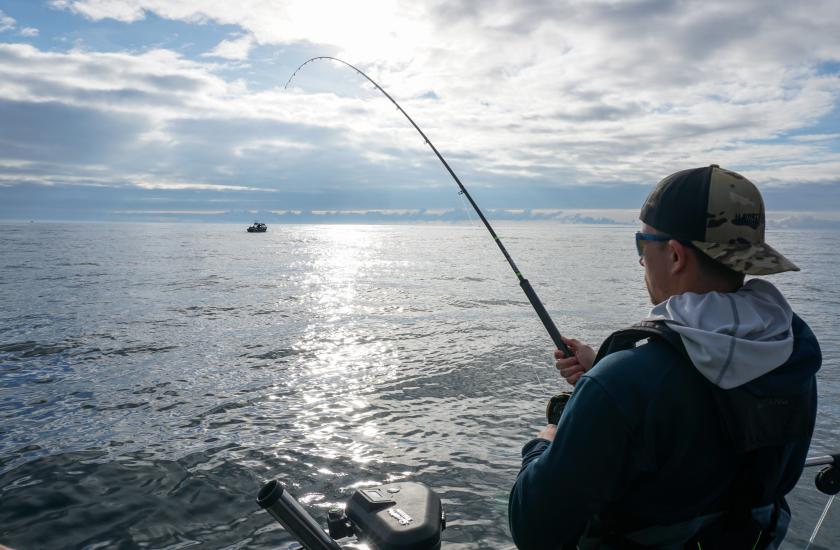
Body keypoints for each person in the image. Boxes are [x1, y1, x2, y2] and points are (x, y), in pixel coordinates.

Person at [508, 165, 821, 549]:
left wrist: (546, 442)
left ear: (674, 255)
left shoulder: (623, 383)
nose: (641, 260)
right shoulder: (791, 352)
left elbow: (534, 529)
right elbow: (712, 410)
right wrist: (603, 371)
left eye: (642, 243)